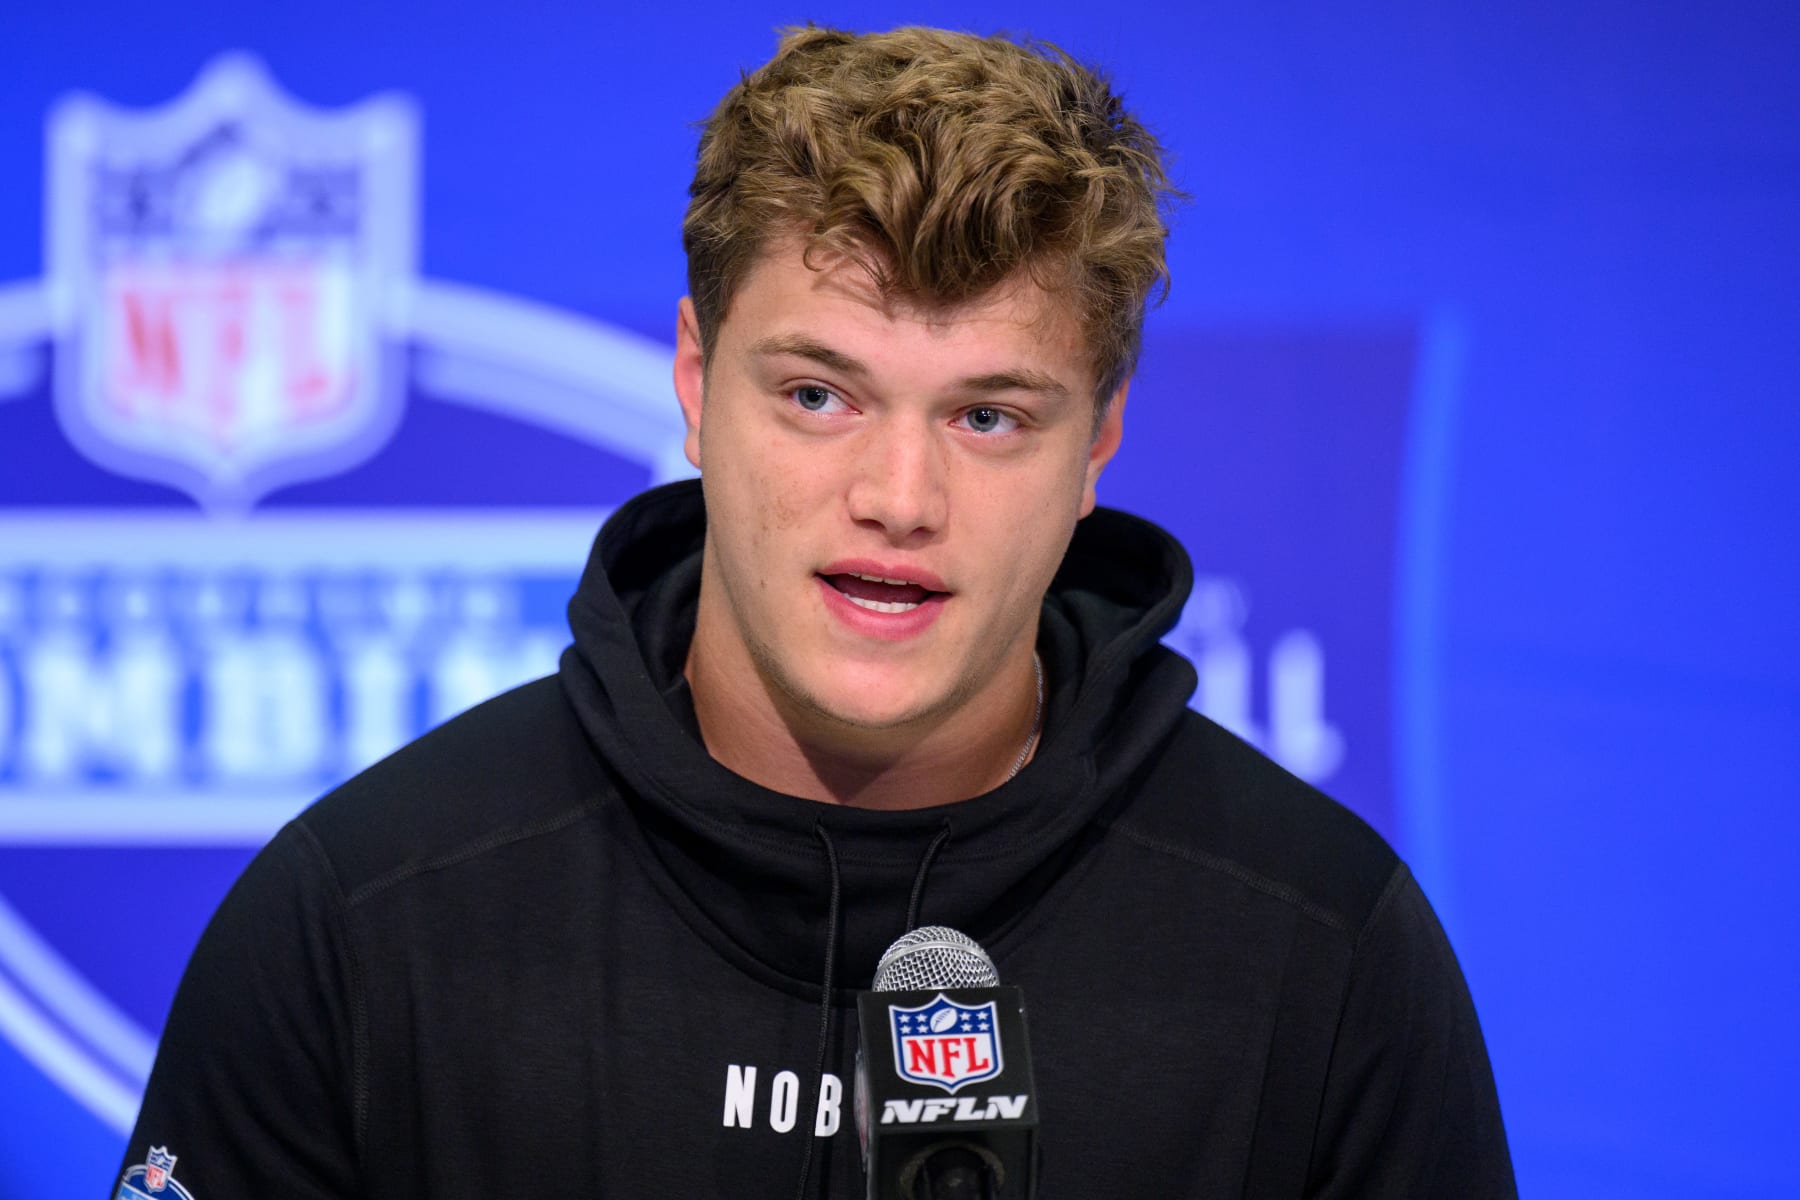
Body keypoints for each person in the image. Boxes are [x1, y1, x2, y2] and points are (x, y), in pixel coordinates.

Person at [116, 25, 1514, 1199]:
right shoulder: (360, 923)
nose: (898, 497)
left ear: (1098, 445)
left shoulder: (1320, 953)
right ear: (692, 377)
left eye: (987, 414)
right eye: (818, 395)